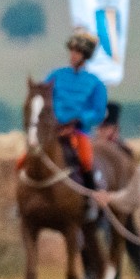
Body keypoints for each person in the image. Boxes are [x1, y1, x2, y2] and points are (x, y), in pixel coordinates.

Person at [43, 29, 108, 187]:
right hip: (52, 130)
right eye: (72, 51)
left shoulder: (96, 83)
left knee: (85, 161)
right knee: (24, 160)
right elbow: (43, 98)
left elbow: (99, 112)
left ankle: (89, 198)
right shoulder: (55, 75)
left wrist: (82, 120)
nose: (73, 55)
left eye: (77, 52)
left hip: (77, 132)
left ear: (85, 56)